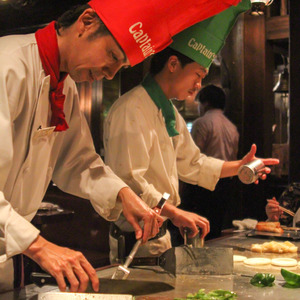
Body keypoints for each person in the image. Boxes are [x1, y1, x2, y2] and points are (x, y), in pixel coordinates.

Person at [0, 0, 241, 293]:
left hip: (10, 252)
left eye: (121, 66)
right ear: (86, 22)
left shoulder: (64, 86)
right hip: (18, 241)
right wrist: (38, 245)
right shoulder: (7, 64)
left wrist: (123, 194)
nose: (112, 74)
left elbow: (77, 161)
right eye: (112, 55)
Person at [104, 0, 279, 263]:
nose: (198, 86)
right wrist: (175, 212)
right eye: (197, 75)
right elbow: (129, 182)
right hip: (135, 239)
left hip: (159, 234)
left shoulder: (167, 110)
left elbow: (192, 163)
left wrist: (239, 166)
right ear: (173, 63)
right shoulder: (132, 109)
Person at [180, 84, 239, 239]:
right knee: (216, 228)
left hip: (204, 183)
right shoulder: (231, 127)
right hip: (226, 183)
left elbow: (192, 158)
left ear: (205, 103)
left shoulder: (202, 123)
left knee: (198, 230)